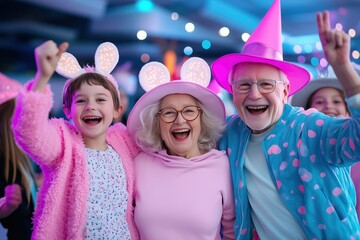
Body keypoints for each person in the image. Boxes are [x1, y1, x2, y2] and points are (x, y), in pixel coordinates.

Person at [211, 0, 360, 239]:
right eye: (244, 85)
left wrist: (343, 69)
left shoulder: (310, 128)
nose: (254, 94)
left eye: (266, 84)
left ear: (285, 91)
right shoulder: (229, 133)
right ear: (233, 91)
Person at [11, 40, 140, 239]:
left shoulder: (124, 142)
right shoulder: (64, 144)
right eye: (81, 100)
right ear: (66, 110)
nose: (90, 106)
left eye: (100, 99)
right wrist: (42, 78)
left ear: (117, 110)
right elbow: (30, 133)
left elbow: (153, 141)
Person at [127, 57, 235, 239]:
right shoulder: (138, 164)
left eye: (189, 111)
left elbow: (232, 232)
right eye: (169, 113)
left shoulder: (222, 166)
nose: (180, 120)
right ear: (157, 123)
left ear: (202, 119)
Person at [291, 74, 360, 221]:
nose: (328, 105)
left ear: (349, 111)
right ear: (308, 112)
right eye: (319, 102)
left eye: (336, 101)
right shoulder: (299, 152)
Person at [0, 73, 39, 240]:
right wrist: (7, 205)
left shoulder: (18, 153)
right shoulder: (2, 158)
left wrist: (36, 182)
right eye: (20, 112)